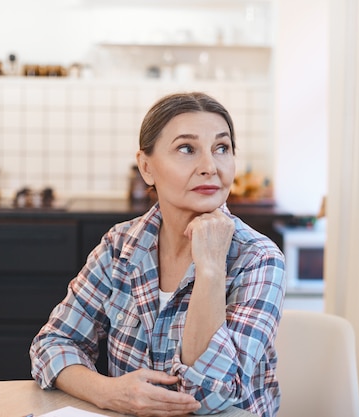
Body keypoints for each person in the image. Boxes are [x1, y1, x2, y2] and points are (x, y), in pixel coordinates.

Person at [29, 92, 286, 417]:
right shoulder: (119, 246)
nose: (210, 167)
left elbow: (209, 398)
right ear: (147, 167)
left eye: (222, 148)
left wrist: (210, 269)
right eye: (186, 149)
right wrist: (108, 392)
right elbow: (52, 344)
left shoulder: (259, 259)